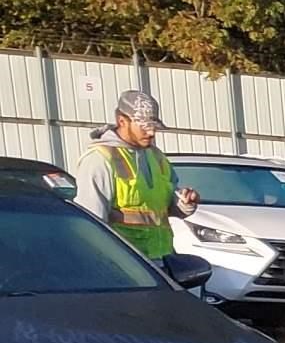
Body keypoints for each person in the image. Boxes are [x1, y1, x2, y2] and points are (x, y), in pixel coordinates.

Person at [73, 90, 197, 260]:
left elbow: (164, 206)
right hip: (124, 267)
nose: (152, 133)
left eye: (154, 127)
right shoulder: (100, 159)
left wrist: (185, 203)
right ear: (122, 121)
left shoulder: (156, 156)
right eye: (144, 127)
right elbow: (92, 225)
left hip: (161, 262)